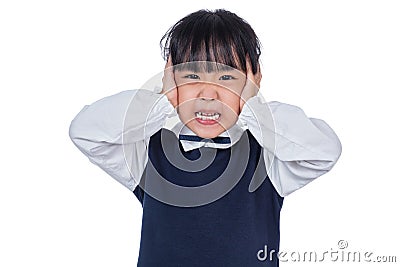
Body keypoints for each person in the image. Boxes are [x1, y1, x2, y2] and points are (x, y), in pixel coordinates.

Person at [69, 9, 342, 266]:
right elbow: (85, 131)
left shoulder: (270, 155)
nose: (208, 94)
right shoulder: (147, 150)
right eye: (191, 75)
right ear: (170, 79)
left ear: (251, 82)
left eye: (226, 77)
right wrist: (162, 101)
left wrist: (253, 107)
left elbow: (324, 150)